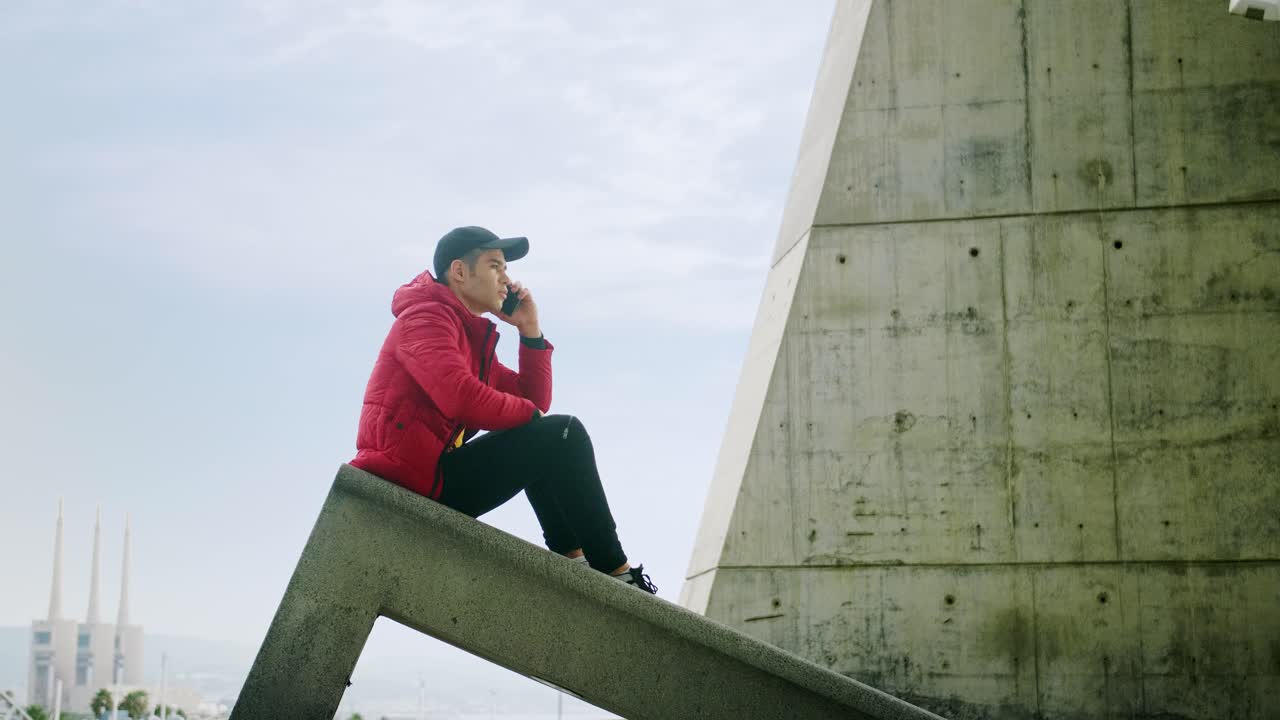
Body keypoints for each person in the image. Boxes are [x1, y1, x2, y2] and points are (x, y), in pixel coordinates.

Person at [350, 226, 657, 593]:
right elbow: (461, 397)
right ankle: (615, 570)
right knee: (563, 433)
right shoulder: (425, 319)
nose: (506, 279)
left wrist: (529, 330)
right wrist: (533, 420)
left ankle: (576, 561)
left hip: (431, 475)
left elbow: (533, 400)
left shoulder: (466, 336)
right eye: (495, 266)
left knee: (550, 436)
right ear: (460, 272)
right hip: (409, 479)